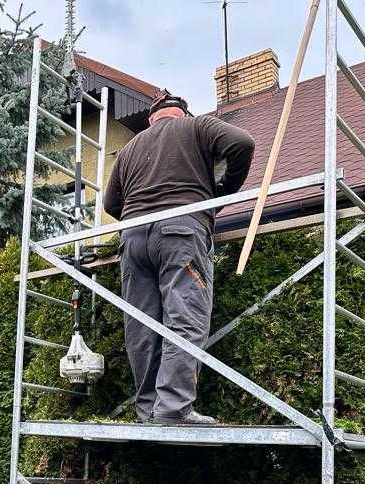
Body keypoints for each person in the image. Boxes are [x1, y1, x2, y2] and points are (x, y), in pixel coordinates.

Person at [103, 90, 254, 426]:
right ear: (181, 114)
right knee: (185, 317)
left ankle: (147, 412)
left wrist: (138, 216)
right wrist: (221, 192)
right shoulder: (196, 127)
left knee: (141, 326)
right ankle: (173, 410)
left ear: (151, 119)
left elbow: (110, 204)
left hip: (133, 240)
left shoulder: (130, 149)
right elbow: (242, 143)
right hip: (180, 231)